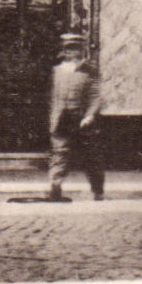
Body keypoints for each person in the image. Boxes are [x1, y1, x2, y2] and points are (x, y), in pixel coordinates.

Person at [47, 33, 104, 201]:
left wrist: (90, 115)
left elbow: (95, 96)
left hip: (81, 119)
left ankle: (97, 190)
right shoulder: (56, 71)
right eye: (67, 49)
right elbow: (51, 96)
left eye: (75, 49)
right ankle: (55, 185)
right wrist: (53, 118)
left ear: (81, 50)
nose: (71, 52)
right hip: (61, 119)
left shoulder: (89, 71)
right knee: (59, 153)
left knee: (90, 156)